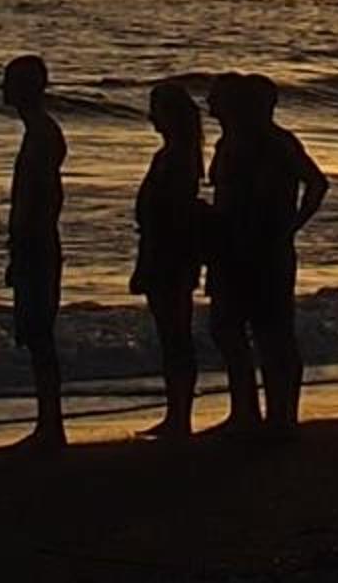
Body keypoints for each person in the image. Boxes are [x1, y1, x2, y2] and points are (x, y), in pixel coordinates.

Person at [205, 71, 329, 440]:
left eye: (218, 99)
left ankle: (281, 416)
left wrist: (292, 225)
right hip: (231, 248)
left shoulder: (275, 142)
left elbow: (317, 183)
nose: (210, 105)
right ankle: (246, 411)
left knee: (271, 332)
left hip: (264, 249)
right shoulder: (230, 141)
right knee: (228, 327)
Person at [130, 78, 206, 441]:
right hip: (167, 250)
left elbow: (173, 211)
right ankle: (176, 413)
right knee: (173, 334)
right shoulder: (179, 154)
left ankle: (179, 415)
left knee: (174, 334)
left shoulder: (176, 157)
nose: (151, 117)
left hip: (169, 253)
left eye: (156, 110)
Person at [0, 53, 67, 448]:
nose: (4, 89)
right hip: (35, 241)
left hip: (37, 243)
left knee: (39, 333)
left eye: (10, 81)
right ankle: (48, 421)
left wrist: (25, 241)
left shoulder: (41, 134)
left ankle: (51, 424)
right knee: (36, 333)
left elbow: (43, 197)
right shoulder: (39, 132)